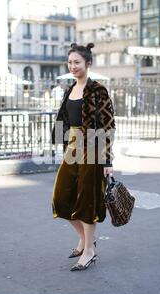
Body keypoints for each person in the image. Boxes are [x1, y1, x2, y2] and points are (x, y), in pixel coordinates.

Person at [51, 42, 115, 271]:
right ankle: (86, 239)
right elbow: (64, 121)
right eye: (70, 62)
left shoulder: (98, 90)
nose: (73, 66)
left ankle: (89, 250)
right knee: (61, 198)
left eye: (77, 62)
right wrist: (63, 147)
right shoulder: (70, 89)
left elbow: (108, 125)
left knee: (87, 199)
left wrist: (107, 160)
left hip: (93, 147)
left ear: (88, 63)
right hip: (73, 147)